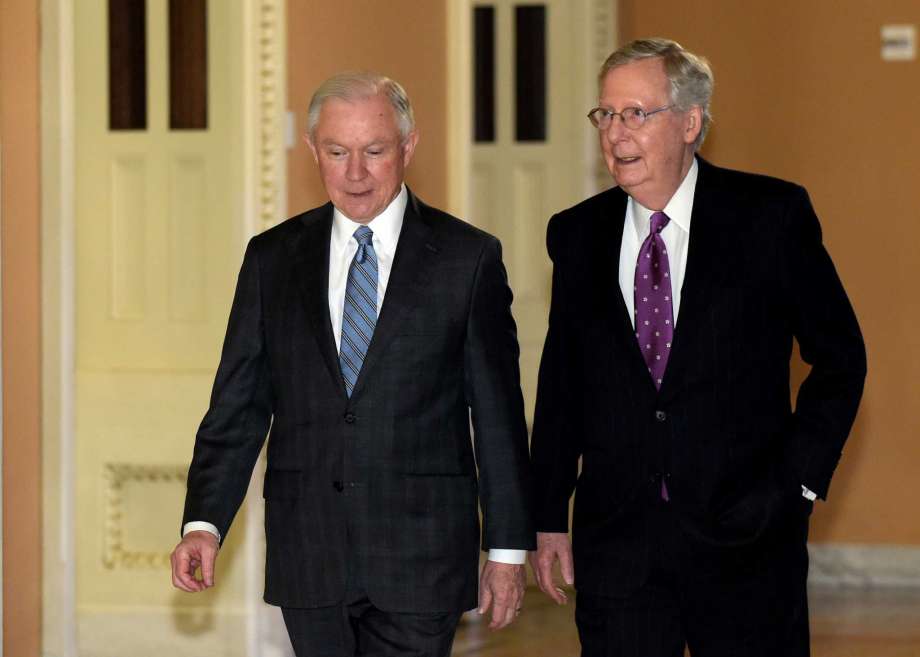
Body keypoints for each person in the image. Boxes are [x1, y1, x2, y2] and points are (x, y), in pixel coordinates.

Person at [170, 72, 535, 657]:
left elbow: (497, 417)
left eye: (375, 151)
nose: (356, 173)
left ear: (409, 147)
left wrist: (508, 548)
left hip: (422, 556)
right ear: (313, 151)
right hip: (309, 552)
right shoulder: (273, 259)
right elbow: (238, 405)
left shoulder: (467, 259)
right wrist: (204, 523)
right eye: (337, 152)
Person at [529, 38, 866, 657]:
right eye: (606, 114)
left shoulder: (771, 216)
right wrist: (548, 513)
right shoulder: (576, 234)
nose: (615, 132)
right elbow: (563, 385)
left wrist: (796, 486)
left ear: (691, 122)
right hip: (619, 547)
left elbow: (841, 357)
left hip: (747, 540)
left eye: (637, 113)